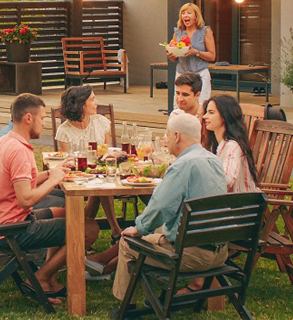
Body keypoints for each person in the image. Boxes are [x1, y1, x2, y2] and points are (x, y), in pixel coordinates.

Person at [0, 93, 99, 301]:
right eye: (43, 118)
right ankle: (39, 277)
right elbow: (26, 199)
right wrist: (52, 180)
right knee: (89, 228)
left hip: (1, 221)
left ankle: (50, 279)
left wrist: (50, 172)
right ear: (28, 118)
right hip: (12, 230)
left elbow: (20, 181)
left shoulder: (6, 141)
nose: (45, 124)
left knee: (67, 214)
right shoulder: (20, 151)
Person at [110, 113, 228, 302]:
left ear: (177, 136)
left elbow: (161, 207)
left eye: (167, 134)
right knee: (158, 229)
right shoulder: (214, 160)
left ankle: (126, 307)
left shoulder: (183, 165)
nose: (166, 139)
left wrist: (140, 228)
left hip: (190, 255)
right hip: (220, 252)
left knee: (127, 241)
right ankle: (165, 298)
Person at [55, 86, 123, 242]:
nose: (97, 102)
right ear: (81, 105)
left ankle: (85, 233)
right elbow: (68, 161)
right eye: (92, 99)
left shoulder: (102, 122)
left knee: (100, 185)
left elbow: (109, 153)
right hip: (77, 176)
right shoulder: (64, 131)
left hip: (101, 173)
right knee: (100, 188)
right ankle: (115, 230)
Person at [202, 95, 259, 193]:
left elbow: (226, 180)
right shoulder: (215, 145)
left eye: (211, 112)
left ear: (225, 116)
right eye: (206, 112)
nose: (204, 116)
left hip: (242, 204)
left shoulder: (233, 147)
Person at [167, 3, 216, 104]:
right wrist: (171, 55)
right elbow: (174, 59)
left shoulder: (205, 31)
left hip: (200, 75)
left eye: (189, 13)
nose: (185, 15)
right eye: (183, 13)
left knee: (201, 106)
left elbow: (212, 56)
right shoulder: (178, 32)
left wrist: (195, 52)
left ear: (196, 16)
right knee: (179, 106)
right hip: (181, 75)